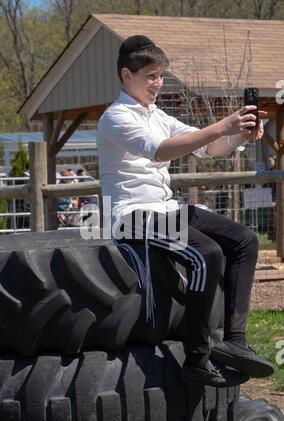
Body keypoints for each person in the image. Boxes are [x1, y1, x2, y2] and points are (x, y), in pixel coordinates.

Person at [96, 35, 274, 387]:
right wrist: (223, 124)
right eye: (150, 76)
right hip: (131, 214)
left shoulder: (156, 115)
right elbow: (161, 151)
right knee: (206, 253)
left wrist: (239, 133)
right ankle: (197, 357)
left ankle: (235, 343)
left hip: (163, 209)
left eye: (161, 76)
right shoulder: (114, 117)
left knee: (244, 239)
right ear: (126, 75)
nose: (158, 83)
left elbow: (210, 148)